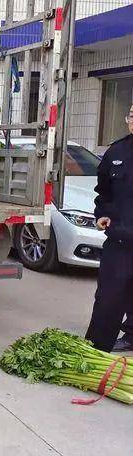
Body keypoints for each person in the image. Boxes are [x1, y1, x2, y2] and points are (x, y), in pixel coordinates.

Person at [85, 105, 133, 353]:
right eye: (132, 115)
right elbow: (103, 191)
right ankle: (96, 348)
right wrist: (101, 213)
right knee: (109, 297)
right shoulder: (117, 151)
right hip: (121, 240)